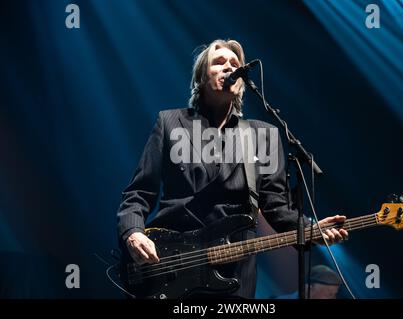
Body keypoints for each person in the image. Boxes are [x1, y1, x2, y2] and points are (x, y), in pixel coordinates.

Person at [116, 39, 349, 299]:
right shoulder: (170, 123)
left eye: (235, 64)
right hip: (168, 266)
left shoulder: (264, 135)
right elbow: (139, 193)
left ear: (241, 84)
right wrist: (133, 232)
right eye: (219, 62)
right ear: (202, 77)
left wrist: (308, 230)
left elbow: (276, 208)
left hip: (234, 277)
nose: (229, 67)